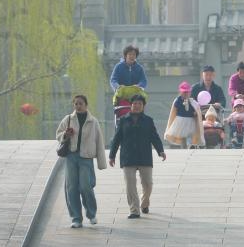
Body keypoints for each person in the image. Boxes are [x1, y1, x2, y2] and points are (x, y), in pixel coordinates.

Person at [109, 93, 166, 219]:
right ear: (131, 105)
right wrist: (112, 155)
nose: (137, 106)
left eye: (139, 104)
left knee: (148, 184)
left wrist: (160, 150)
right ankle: (134, 210)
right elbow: (117, 138)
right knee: (130, 185)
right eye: (134, 103)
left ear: (143, 106)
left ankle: (144, 203)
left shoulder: (148, 120)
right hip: (128, 156)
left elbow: (154, 136)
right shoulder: (123, 120)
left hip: (144, 156)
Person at [55, 95, 108, 228]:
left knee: (86, 186)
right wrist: (65, 135)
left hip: (86, 157)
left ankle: (91, 214)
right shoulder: (68, 119)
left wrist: (101, 162)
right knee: (71, 187)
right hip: (71, 157)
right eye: (76, 104)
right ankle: (76, 218)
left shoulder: (93, 121)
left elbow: (99, 141)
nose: (78, 106)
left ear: (86, 105)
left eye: (81, 103)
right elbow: (58, 134)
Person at [164, 81, 203, 148]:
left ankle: (190, 145)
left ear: (190, 93)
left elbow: (195, 109)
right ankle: (184, 147)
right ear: (180, 92)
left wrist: (195, 113)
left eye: (187, 92)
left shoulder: (192, 101)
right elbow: (174, 110)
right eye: (184, 92)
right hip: (180, 120)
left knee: (190, 134)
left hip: (190, 120)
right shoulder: (178, 100)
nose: (186, 94)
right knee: (182, 136)